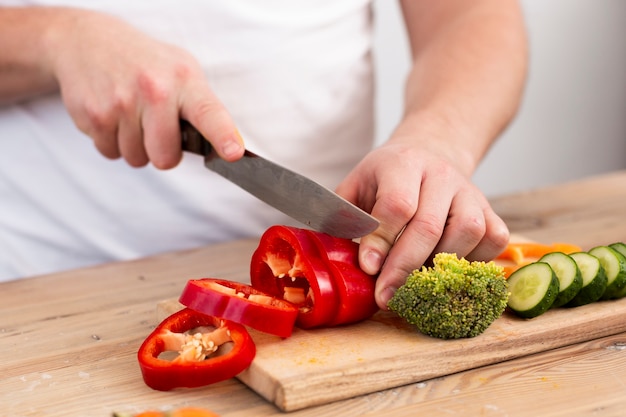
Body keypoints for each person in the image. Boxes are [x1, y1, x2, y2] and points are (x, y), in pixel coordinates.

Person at [0, 1, 528, 310]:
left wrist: (437, 137)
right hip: (35, 285)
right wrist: (54, 38)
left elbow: (471, 14)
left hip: (329, 282)